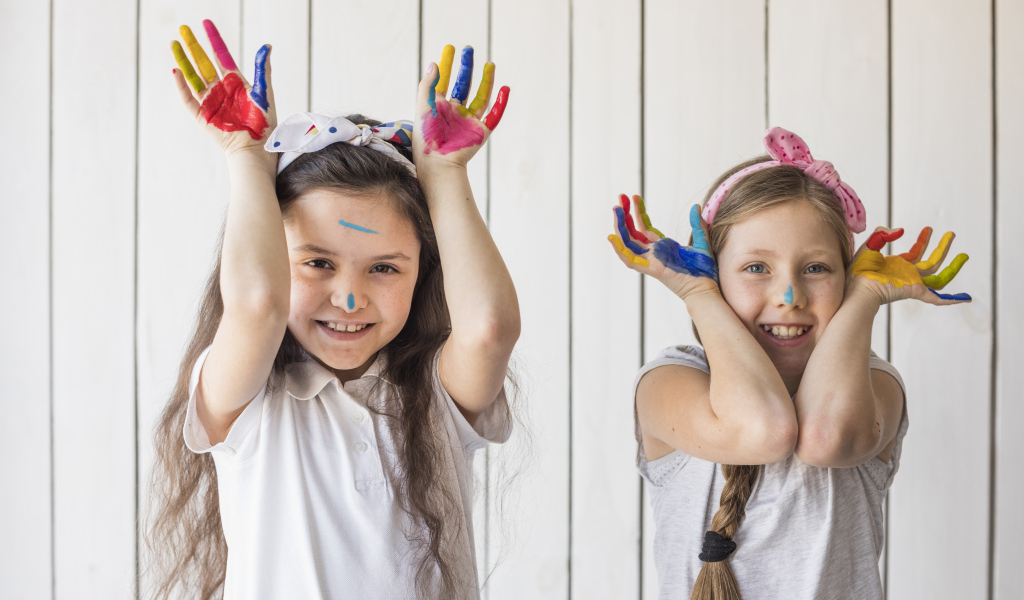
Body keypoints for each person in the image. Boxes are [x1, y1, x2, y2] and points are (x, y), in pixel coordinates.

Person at [147, 21, 518, 600]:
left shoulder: (435, 397)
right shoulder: (245, 401)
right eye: (317, 263)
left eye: (384, 268)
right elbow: (258, 305)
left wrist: (444, 176)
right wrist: (248, 159)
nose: (348, 298)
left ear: (424, 273)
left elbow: (489, 328)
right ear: (275, 258)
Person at [608, 127, 971, 599]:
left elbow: (823, 436)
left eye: (816, 268)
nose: (789, 296)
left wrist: (864, 298)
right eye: (756, 267)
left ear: (848, 276)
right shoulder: (669, 381)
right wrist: (698, 294)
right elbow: (761, 430)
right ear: (713, 272)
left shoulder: (875, 385)